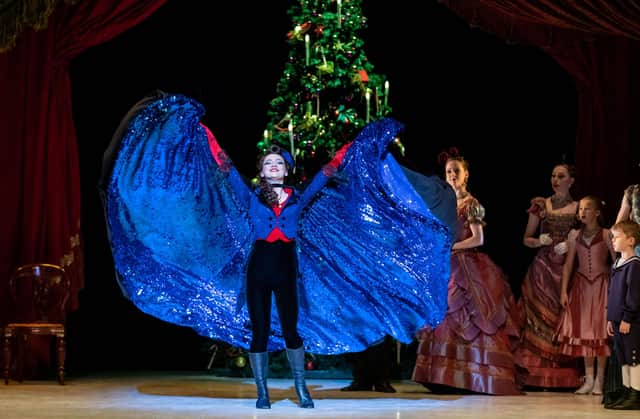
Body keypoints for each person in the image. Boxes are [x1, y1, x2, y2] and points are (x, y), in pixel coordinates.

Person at [100, 92, 453, 409]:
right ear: (262, 171)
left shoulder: (299, 201)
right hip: (259, 269)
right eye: (268, 164)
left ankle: (301, 390)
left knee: (291, 329)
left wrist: (349, 151)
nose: (273, 167)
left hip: (287, 269)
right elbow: (225, 168)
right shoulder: (249, 199)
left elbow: (327, 174)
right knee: (258, 331)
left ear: (286, 170)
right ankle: (263, 393)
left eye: (279, 164)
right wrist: (205, 136)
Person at [341, 161, 458, 394]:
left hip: (384, 265)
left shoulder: (393, 195)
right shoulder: (356, 195)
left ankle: (381, 378)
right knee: (358, 320)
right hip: (360, 263)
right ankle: (361, 377)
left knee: (382, 321)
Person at [411, 150, 521, 395]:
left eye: (456, 171)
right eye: (448, 171)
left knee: (468, 313)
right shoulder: (441, 202)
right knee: (443, 315)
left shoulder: (471, 204)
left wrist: (452, 246)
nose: (451, 175)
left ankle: (473, 375)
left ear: (466, 175)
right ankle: (441, 375)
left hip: (467, 266)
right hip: (444, 264)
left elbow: (478, 239)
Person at [514, 163, 582, 388]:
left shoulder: (579, 208)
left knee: (562, 318)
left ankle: (564, 375)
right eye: (553, 175)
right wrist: (538, 241)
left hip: (566, 268)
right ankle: (533, 374)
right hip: (543, 269)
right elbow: (526, 238)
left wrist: (573, 242)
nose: (555, 179)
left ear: (571, 180)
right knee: (537, 318)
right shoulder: (541, 204)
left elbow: (589, 237)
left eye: (560, 176)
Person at [555, 196, 615, 395]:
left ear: (597, 212)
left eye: (587, 208)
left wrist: (616, 290)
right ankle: (588, 380)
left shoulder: (607, 235)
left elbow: (617, 264)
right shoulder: (574, 236)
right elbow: (568, 266)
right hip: (581, 288)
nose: (582, 212)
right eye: (580, 209)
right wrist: (564, 290)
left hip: (602, 287)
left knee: (600, 334)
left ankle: (600, 380)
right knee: (585, 334)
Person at [605, 220, 640, 410]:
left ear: (630, 241)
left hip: (630, 322)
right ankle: (626, 392)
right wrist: (610, 317)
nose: (613, 241)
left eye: (617, 237)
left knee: (633, 358)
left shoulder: (634, 265)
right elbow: (612, 292)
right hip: (617, 319)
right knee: (623, 359)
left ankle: (636, 393)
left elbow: (633, 296)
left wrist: (627, 317)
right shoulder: (617, 263)